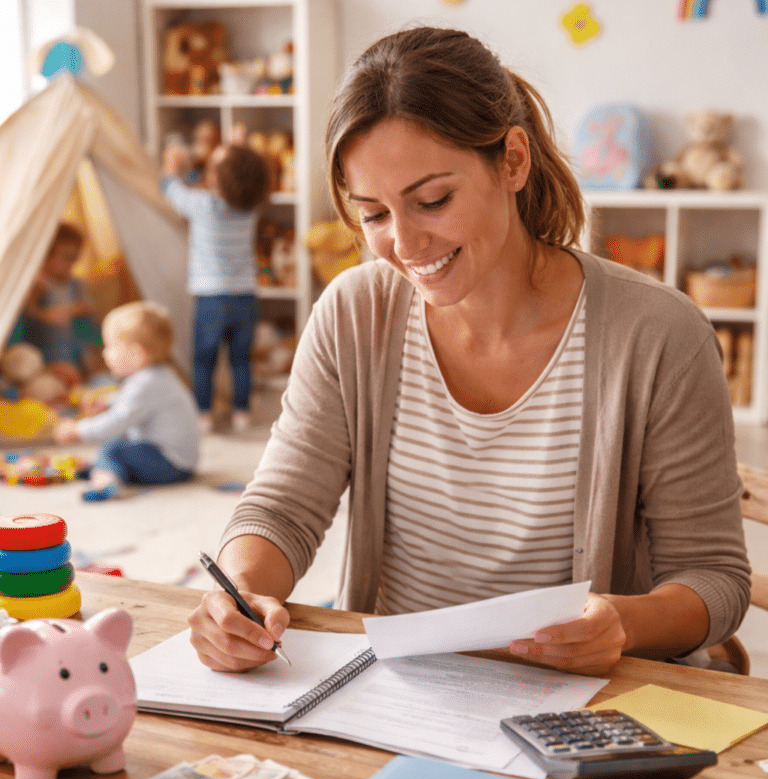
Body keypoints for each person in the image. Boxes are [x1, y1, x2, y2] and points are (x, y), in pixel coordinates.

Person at [188, 26, 751, 676]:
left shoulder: (659, 334)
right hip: (395, 696)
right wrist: (240, 594)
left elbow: (713, 578)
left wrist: (623, 624)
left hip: (578, 704)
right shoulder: (352, 314)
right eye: (373, 214)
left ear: (513, 161)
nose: (405, 245)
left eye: (432, 201)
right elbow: (282, 507)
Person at [161, 138, 269, 432]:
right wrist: (238, 149)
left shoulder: (203, 205)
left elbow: (170, 190)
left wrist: (171, 168)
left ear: (214, 179)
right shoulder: (251, 207)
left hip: (211, 297)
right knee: (241, 360)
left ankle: (203, 415)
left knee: (203, 360)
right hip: (245, 296)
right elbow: (243, 176)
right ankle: (242, 414)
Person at [54, 300, 199, 501]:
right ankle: (104, 468)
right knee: (120, 448)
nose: (105, 353)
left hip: (169, 464)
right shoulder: (157, 376)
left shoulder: (145, 384)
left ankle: (105, 483)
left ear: (136, 355)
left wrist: (78, 430)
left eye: (110, 347)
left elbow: (116, 422)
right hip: (177, 463)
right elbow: (129, 401)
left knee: (113, 448)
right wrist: (106, 402)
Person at [21, 222, 102, 381]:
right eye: (67, 257)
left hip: (77, 354)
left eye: (75, 257)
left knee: (86, 325)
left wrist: (78, 313)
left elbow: (90, 329)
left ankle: (85, 371)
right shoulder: (37, 285)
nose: (72, 263)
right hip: (47, 357)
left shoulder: (77, 286)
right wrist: (36, 298)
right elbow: (28, 318)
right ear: (45, 256)